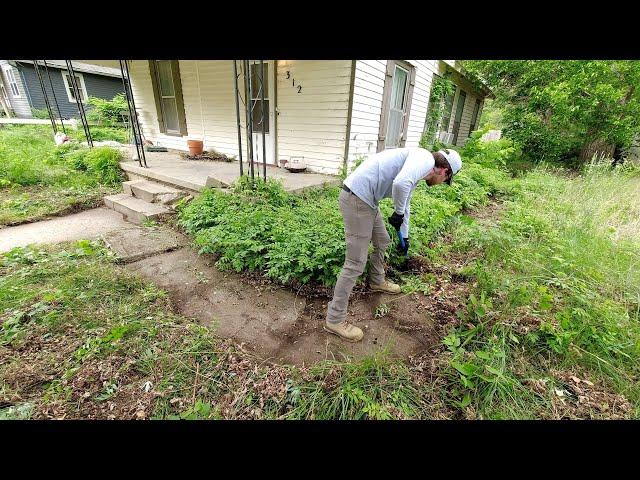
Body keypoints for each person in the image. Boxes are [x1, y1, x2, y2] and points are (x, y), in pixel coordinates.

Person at [324, 147, 463, 342]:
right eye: (446, 181)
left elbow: (405, 204)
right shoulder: (425, 159)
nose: (441, 184)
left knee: (383, 240)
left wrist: (404, 237)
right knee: (355, 262)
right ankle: (335, 319)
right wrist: (397, 212)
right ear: (444, 171)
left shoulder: (419, 166)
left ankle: (376, 280)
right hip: (357, 199)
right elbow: (400, 183)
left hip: (367, 200)